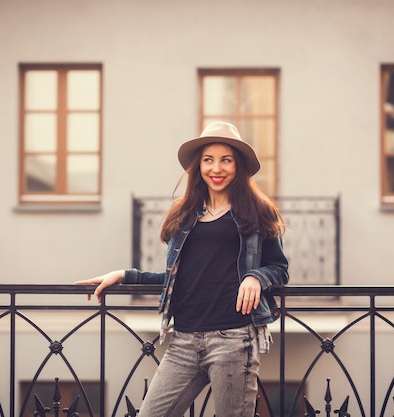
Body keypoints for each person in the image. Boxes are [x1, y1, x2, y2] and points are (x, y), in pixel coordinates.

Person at [75, 121, 289, 417]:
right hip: (184, 340)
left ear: (237, 166)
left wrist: (256, 277)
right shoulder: (185, 214)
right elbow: (180, 278)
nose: (217, 168)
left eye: (226, 160)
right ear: (198, 166)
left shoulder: (257, 211)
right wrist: (125, 275)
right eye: (208, 160)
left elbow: (279, 268)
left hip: (234, 340)